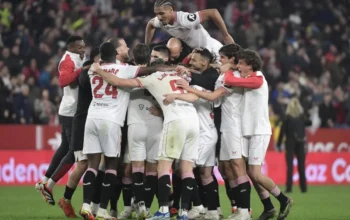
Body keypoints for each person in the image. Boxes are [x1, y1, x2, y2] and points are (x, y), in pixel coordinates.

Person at [90, 56, 200, 220]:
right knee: (187, 169)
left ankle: (163, 210)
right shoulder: (179, 77)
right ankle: (184, 212)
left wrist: (98, 70)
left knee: (163, 168)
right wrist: (177, 95)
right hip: (193, 121)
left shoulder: (151, 78)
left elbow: (119, 82)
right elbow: (195, 97)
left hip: (175, 122)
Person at [80, 42, 176, 220]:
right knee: (111, 166)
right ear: (116, 53)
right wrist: (175, 68)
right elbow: (149, 70)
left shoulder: (94, 69)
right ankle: (102, 209)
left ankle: (86, 205)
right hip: (111, 120)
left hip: (91, 118)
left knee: (92, 165)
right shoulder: (124, 69)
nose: (127, 49)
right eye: (124, 47)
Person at [224, 49, 293, 220]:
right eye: (237, 63)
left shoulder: (258, 78)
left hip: (259, 131)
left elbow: (228, 79)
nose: (238, 66)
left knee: (254, 173)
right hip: (248, 131)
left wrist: (228, 68)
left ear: (250, 65)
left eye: (241, 63)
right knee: (250, 172)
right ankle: (268, 206)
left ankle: (284, 200)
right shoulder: (248, 78)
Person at [36, 36, 87, 205]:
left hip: (72, 110)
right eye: (79, 47)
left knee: (65, 146)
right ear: (71, 47)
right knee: (74, 151)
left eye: (84, 47)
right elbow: (63, 81)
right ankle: (49, 185)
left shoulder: (79, 58)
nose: (83, 50)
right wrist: (82, 70)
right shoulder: (67, 60)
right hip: (71, 111)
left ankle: (45, 180)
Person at [58, 47, 100, 218]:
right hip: (82, 123)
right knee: (83, 164)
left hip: (95, 123)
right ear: (96, 58)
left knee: (95, 164)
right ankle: (67, 200)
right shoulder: (87, 73)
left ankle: (92, 206)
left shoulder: (103, 72)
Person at [145, 0, 234, 59]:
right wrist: (147, 45)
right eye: (156, 14)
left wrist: (225, 35)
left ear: (171, 10)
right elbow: (150, 24)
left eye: (161, 13)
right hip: (194, 52)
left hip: (211, 49)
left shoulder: (185, 19)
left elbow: (213, 12)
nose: (159, 17)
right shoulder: (161, 21)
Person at [277, 97, 311, 193]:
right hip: (301, 143)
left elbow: (282, 131)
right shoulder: (301, 117)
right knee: (301, 166)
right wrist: (306, 112)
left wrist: (279, 144)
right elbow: (309, 122)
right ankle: (303, 188)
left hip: (290, 143)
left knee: (290, 167)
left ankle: (289, 187)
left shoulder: (287, 117)